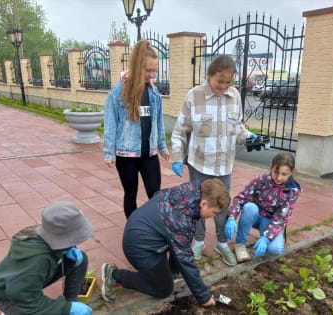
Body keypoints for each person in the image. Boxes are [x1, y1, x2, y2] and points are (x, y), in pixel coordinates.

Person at [170, 54, 256, 266]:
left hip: (224, 164)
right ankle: (198, 240)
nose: (224, 86)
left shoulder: (234, 95)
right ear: (209, 76)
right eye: (220, 81)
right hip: (199, 163)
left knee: (221, 205)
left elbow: (238, 127)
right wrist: (177, 157)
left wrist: (248, 137)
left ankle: (222, 242)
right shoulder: (194, 96)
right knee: (199, 203)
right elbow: (180, 130)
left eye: (228, 82)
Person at [101, 178, 231, 307]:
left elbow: (158, 195)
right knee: (164, 290)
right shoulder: (181, 219)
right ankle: (113, 275)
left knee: (181, 244)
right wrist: (204, 296)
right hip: (139, 248)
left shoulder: (190, 190)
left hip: (144, 230)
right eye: (214, 212)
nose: (213, 216)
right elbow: (185, 260)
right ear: (203, 203)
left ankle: (171, 274)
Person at [0, 201, 94, 315]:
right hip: (9, 296)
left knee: (78, 261)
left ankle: (71, 301)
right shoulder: (36, 260)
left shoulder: (45, 232)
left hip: (24, 282)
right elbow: (27, 300)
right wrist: (66, 308)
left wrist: (67, 249)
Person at [103, 39, 170, 219]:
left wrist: (162, 146)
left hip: (149, 154)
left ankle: (154, 229)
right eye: (148, 70)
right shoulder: (119, 91)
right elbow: (110, 124)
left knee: (156, 195)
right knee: (130, 194)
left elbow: (158, 123)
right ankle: (134, 233)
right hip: (126, 156)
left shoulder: (154, 92)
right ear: (137, 66)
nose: (152, 75)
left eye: (154, 70)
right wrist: (109, 152)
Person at [224, 152, 301, 263]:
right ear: (271, 167)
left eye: (284, 174)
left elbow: (281, 217)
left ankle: (263, 237)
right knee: (250, 207)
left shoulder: (293, 191)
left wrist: (267, 237)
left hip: (270, 221)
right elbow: (241, 198)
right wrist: (231, 217)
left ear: (291, 172)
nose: (279, 178)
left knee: (276, 250)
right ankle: (240, 244)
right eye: (276, 172)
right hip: (253, 215)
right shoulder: (261, 180)